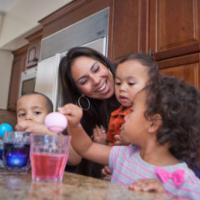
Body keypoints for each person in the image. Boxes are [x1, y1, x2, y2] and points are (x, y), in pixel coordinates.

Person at [63, 75, 200, 200]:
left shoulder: (185, 180)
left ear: (153, 123)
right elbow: (87, 148)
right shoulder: (124, 155)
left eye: (132, 110)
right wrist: (74, 125)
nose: (125, 115)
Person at [58, 47, 119, 177]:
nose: (96, 81)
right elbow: (80, 161)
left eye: (96, 69)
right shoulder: (79, 119)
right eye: (84, 81)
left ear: (105, 63)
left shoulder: (139, 96)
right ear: (78, 91)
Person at [15, 92, 81, 165]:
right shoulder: (17, 139)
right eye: (22, 114)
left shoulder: (55, 136)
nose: (28, 118)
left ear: (50, 117)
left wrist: (45, 131)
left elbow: (76, 159)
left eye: (37, 112)